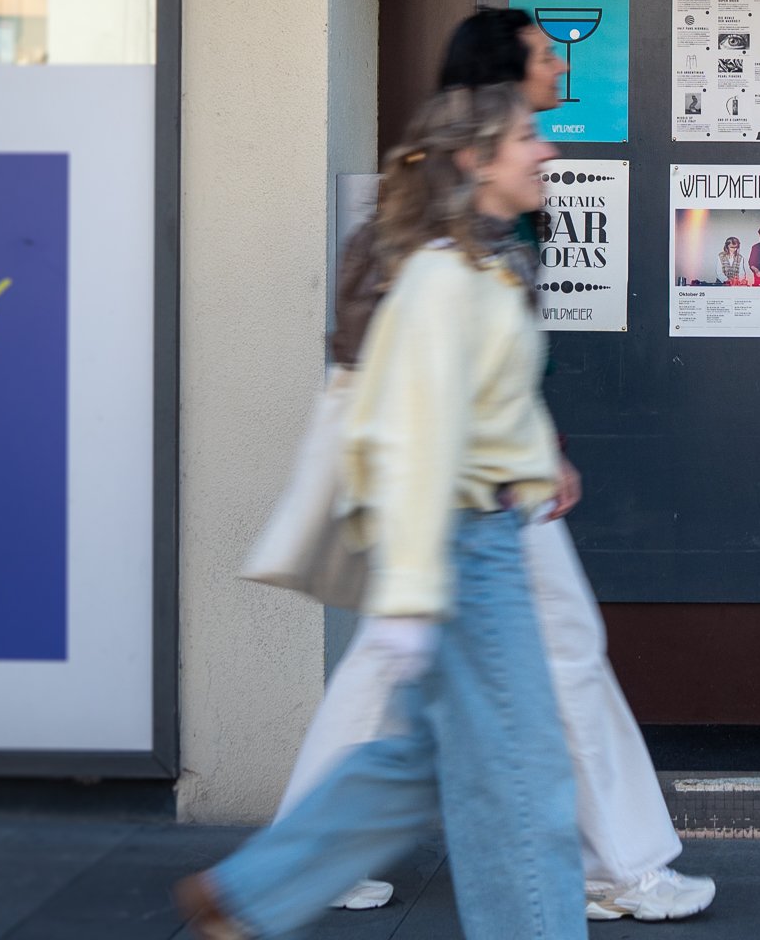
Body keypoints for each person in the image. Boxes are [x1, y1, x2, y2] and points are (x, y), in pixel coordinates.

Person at [283, 10, 714, 923]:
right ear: (500, 87)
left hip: (485, 480)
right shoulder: (448, 178)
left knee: (471, 666)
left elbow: (490, 349)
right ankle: (617, 866)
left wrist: (536, 438)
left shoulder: (505, 175)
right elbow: (412, 352)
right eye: (544, 53)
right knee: (493, 661)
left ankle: (612, 862)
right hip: (458, 494)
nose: (560, 62)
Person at [176, 84, 582, 940]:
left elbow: (482, 401)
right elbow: (411, 445)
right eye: (527, 137)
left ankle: (252, 892)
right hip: (465, 550)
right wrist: (406, 601)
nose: (545, 150)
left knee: (426, 757)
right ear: (474, 161)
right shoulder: (441, 280)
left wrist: (540, 462)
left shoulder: (486, 267)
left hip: (487, 533)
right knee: (521, 779)